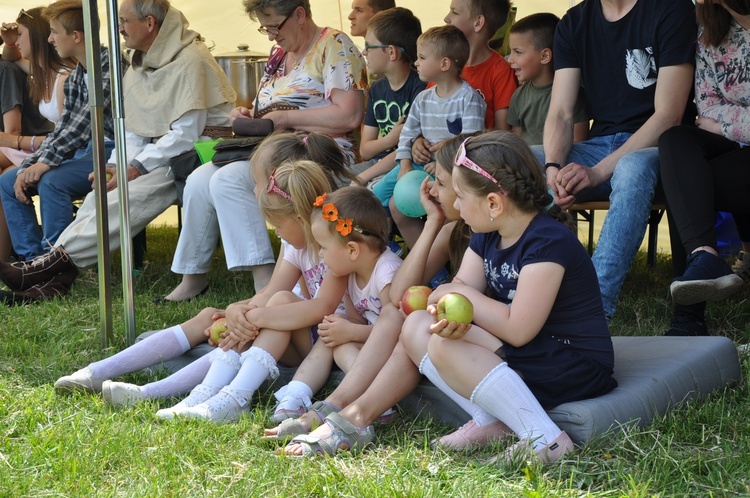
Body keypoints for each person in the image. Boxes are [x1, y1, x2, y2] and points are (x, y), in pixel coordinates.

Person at [286, 132, 617, 466]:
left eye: (459, 195)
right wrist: (442, 311)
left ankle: (546, 439)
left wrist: (459, 297)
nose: (455, 205)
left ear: (493, 203)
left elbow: (518, 329)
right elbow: (458, 286)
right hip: (531, 354)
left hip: (573, 363)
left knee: (442, 344)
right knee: (418, 325)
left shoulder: (547, 242)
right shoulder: (488, 235)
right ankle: (483, 422)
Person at [54, 133, 355, 403]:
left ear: (299, 214)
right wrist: (239, 309)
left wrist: (254, 315)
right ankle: (97, 371)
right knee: (211, 316)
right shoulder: (295, 244)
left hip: (318, 342)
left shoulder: (333, 249)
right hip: (286, 326)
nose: (254, 193)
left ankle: (154, 393)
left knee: (267, 311)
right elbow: (271, 290)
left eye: (259, 185)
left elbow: (316, 307)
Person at [271, 135, 505, 452]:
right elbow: (399, 294)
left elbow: (396, 298)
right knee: (395, 315)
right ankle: (341, 408)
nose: (432, 190)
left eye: (442, 183)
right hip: (448, 329)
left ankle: (343, 409)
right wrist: (435, 221)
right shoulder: (453, 229)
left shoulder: (495, 236)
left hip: (476, 338)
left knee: (399, 318)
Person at [0, 0, 236, 302]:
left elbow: (185, 135)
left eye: (124, 21)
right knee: (99, 198)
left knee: (126, 198)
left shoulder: (189, 59)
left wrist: (134, 167)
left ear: (149, 24)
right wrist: (116, 164)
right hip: (159, 153)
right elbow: (137, 126)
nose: (118, 28)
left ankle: (45, 269)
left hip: (197, 155)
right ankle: (52, 280)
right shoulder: (142, 61)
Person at [158, 0, 369, 303]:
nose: (270, 35)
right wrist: (248, 117)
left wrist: (284, 119)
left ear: (299, 14)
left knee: (230, 179)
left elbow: (349, 116)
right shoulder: (279, 54)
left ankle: (266, 281)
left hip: (321, 152)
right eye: (264, 27)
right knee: (200, 179)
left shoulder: (334, 45)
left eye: (274, 26)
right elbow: (269, 111)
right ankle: (193, 276)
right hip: (276, 149)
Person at [534, 0, 697, 321]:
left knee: (631, 167)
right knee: (520, 158)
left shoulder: (672, 10)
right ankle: (513, 292)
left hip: (663, 148)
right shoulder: (574, 21)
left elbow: (668, 116)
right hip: (599, 145)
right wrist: (553, 166)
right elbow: (562, 112)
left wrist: (596, 173)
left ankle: (592, 310)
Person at [268, 185, 401, 425]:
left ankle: (376, 400)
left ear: (352, 249)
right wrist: (345, 329)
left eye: (324, 247)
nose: (319, 255)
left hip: (393, 357)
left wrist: (351, 332)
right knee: (333, 337)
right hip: (368, 349)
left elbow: (398, 332)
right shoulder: (349, 272)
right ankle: (296, 394)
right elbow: (357, 319)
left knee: (337, 337)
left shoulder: (387, 274)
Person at [658, 0, 750, 335]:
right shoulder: (712, 31)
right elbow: (706, 104)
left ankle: (687, 317)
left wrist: (723, 125)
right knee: (675, 143)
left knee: (688, 185)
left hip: (736, 149)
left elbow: (714, 117)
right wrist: (723, 125)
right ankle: (704, 257)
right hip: (734, 152)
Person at [0, 1, 114, 266]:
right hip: (88, 149)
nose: (50, 38)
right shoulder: (78, 76)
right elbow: (63, 129)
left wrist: (42, 162)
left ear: (75, 36)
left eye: (54, 31)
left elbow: (82, 127)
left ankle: (57, 262)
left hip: (111, 148)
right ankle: (34, 262)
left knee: (52, 182)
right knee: (8, 182)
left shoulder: (107, 68)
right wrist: (30, 164)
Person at [397, 0, 517, 248]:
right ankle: (428, 266)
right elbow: (428, 117)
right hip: (434, 163)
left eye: (454, 12)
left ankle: (439, 267)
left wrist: (451, 151)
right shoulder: (438, 74)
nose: (446, 18)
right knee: (398, 199)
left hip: (468, 163)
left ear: (478, 22)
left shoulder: (499, 70)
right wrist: (418, 141)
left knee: (443, 205)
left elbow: (501, 133)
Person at [371, 25, 486, 248]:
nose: (416, 62)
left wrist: (445, 160)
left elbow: (472, 139)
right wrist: (404, 165)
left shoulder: (468, 98)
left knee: (435, 209)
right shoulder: (423, 98)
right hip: (417, 164)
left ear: (444, 64)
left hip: (450, 170)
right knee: (377, 194)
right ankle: (387, 247)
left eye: (422, 57)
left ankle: (436, 267)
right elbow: (408, 133)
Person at [351, 8, 424, 187]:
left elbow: (406, 151)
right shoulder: (377, 89)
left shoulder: (420, 89)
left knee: (356, 192)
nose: (365, 52)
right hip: (376, 163)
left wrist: (362, 178)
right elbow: (365, 150)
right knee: (328, 179)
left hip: (403, 166)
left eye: (368, 46)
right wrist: (389, 140)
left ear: (391, 52)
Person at [506, 13, 589, 146]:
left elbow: (579, 143)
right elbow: (517, 143)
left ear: (544, 56)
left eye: (518, 52)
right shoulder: (518, 96)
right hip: (527, 163)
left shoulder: (572, 95)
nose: (510, 60)